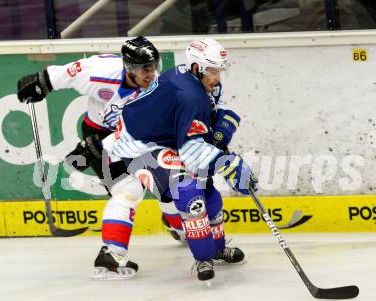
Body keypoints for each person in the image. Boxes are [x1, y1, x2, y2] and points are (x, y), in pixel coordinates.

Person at [96, 37, 257, 282]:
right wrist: (228, 164)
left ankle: (215, 248)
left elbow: (214, 106)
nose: (218, 77)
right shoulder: (188, 94)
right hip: (136, 146)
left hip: (163, 139)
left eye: (219, 70)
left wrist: (224, 124)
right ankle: (202, 258)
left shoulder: (199, 81)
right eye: (213, 71)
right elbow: (192, 152)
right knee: (189, 191)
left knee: (207, 190)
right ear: (196, 68)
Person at [16, 36, 184, 241]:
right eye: (144, 69)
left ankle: (178, 226)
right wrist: (42, 82)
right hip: (97, 131)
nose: (151, 74)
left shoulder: (157, 89)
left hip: (138, 137)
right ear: (129, 67)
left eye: (153, 66)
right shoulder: (100, 71)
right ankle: (112, 253)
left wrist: (100, 146)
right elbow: (66, 74)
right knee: (127, 189)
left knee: (167, 186)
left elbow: (153, 130)